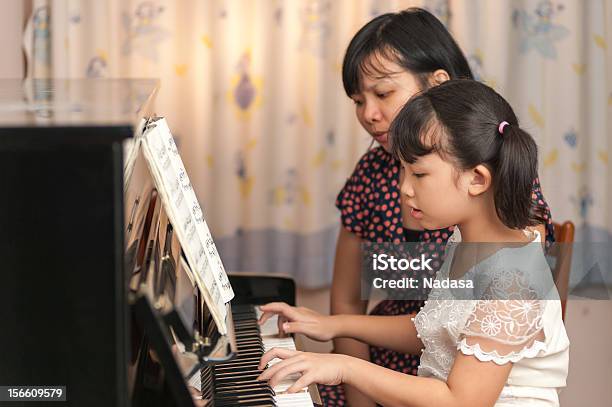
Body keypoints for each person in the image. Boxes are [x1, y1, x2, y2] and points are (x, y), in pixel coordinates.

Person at [257, 79, 570, 406]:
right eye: (402, 170)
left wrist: (346, 366)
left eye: (418, 174)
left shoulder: (512, 282)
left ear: (477, 179)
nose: (404, 188)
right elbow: (435, 331)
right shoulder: (466, 239)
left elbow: (459, 402)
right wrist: (332, 324)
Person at [328, 7, 555, 406]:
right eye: (357, 100)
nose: (368, 114)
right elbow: (406, 317)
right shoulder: (453, 238)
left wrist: (350, 368)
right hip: (404, 351)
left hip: (464, 370)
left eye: (382, 93)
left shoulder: (504, 243)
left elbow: (510, 290)